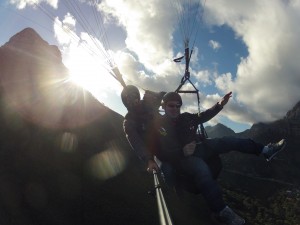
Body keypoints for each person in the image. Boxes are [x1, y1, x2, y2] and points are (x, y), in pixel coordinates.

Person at [149, 91, 286, 225]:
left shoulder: (186, 117)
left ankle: (266, 150)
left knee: (228, 141)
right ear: (164, 106)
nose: (174, 109)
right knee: (201, 168)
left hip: (198, 147)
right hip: (182, 159)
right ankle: (221, 211)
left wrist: (220, 105)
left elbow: (204, 115)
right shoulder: (158, 125)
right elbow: (159, 153)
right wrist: (182, 152)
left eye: (177, 105)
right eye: (170, 105)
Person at [121, 85, 165, 172]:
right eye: (128, 99)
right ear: (125, 102)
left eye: (134, 96)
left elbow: (157, 100)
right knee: (166, 169)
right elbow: (136, 142)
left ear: (138, 96)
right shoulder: (129, 121)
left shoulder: (147, 105)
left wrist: (161, 95)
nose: (132, 100)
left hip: (167, 138)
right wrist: (149, 159)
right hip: (156, 151)